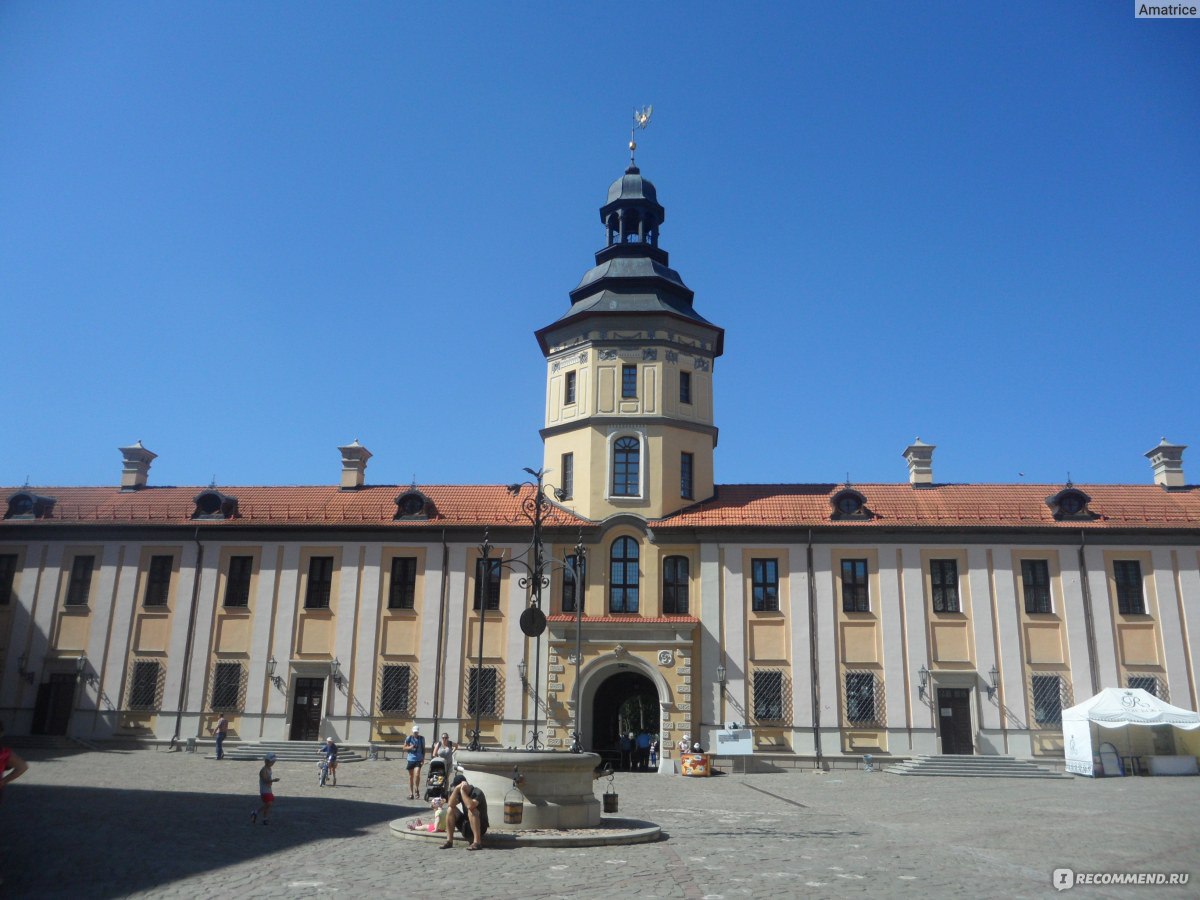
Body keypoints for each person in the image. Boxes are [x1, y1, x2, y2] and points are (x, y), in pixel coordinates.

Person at [441, 769, 488, 851]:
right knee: (450, 809)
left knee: (472, 810)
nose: (457, 789)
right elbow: (450, 804)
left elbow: (470, 806)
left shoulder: (477, 792)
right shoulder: (459, 793)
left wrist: (462, 791)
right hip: (466, 825)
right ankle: (449, 841)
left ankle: (477, 842)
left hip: (480, 827)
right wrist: (456, 790)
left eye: (457, 787)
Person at [251, 753, 279, 825]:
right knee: (269, 803)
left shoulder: (269, 769)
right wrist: (273, 780)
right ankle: (257, 812)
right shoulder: (263, 770)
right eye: (272, 762)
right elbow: (265, 780)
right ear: (266, 761)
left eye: (273, 762)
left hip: (268, 789)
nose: (273, 763)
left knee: (268, 805)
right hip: (264, 790)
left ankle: (263, 817)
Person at [403, 725, 425, 799]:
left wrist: (423, 758)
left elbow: (423, 749)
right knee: (411, 777)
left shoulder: (421, 739)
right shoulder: (409, 738)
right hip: (411, 759)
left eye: (417, 732)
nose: (415, 733)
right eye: (414, 732)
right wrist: (410, 747)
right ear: (412, 732)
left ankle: (417, 789)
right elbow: (404, 747)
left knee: (417, 774)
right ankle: (411, 793)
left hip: (418, 759)